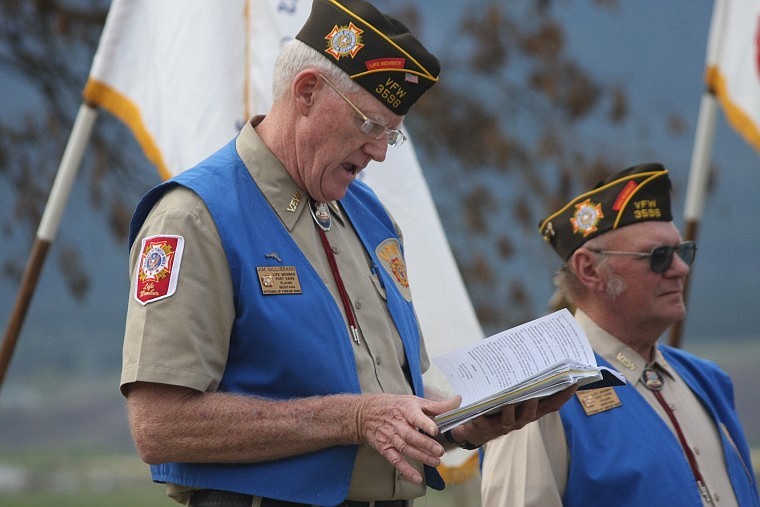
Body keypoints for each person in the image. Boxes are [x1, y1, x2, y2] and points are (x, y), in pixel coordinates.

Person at [120, 1, 577, 506]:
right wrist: (355, 417)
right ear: (307, 92)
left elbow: (388, 402)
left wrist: (461, 427)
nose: (380, 151)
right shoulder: (195, 217)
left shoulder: (367, 213)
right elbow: (159, 426)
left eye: (391, 133)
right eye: (369, 124)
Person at [480, 163, 760, 507]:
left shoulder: (708, 381)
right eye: (658, 256)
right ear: (590, 270)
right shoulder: (539, 399)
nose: (682, 269)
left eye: (683, 251)